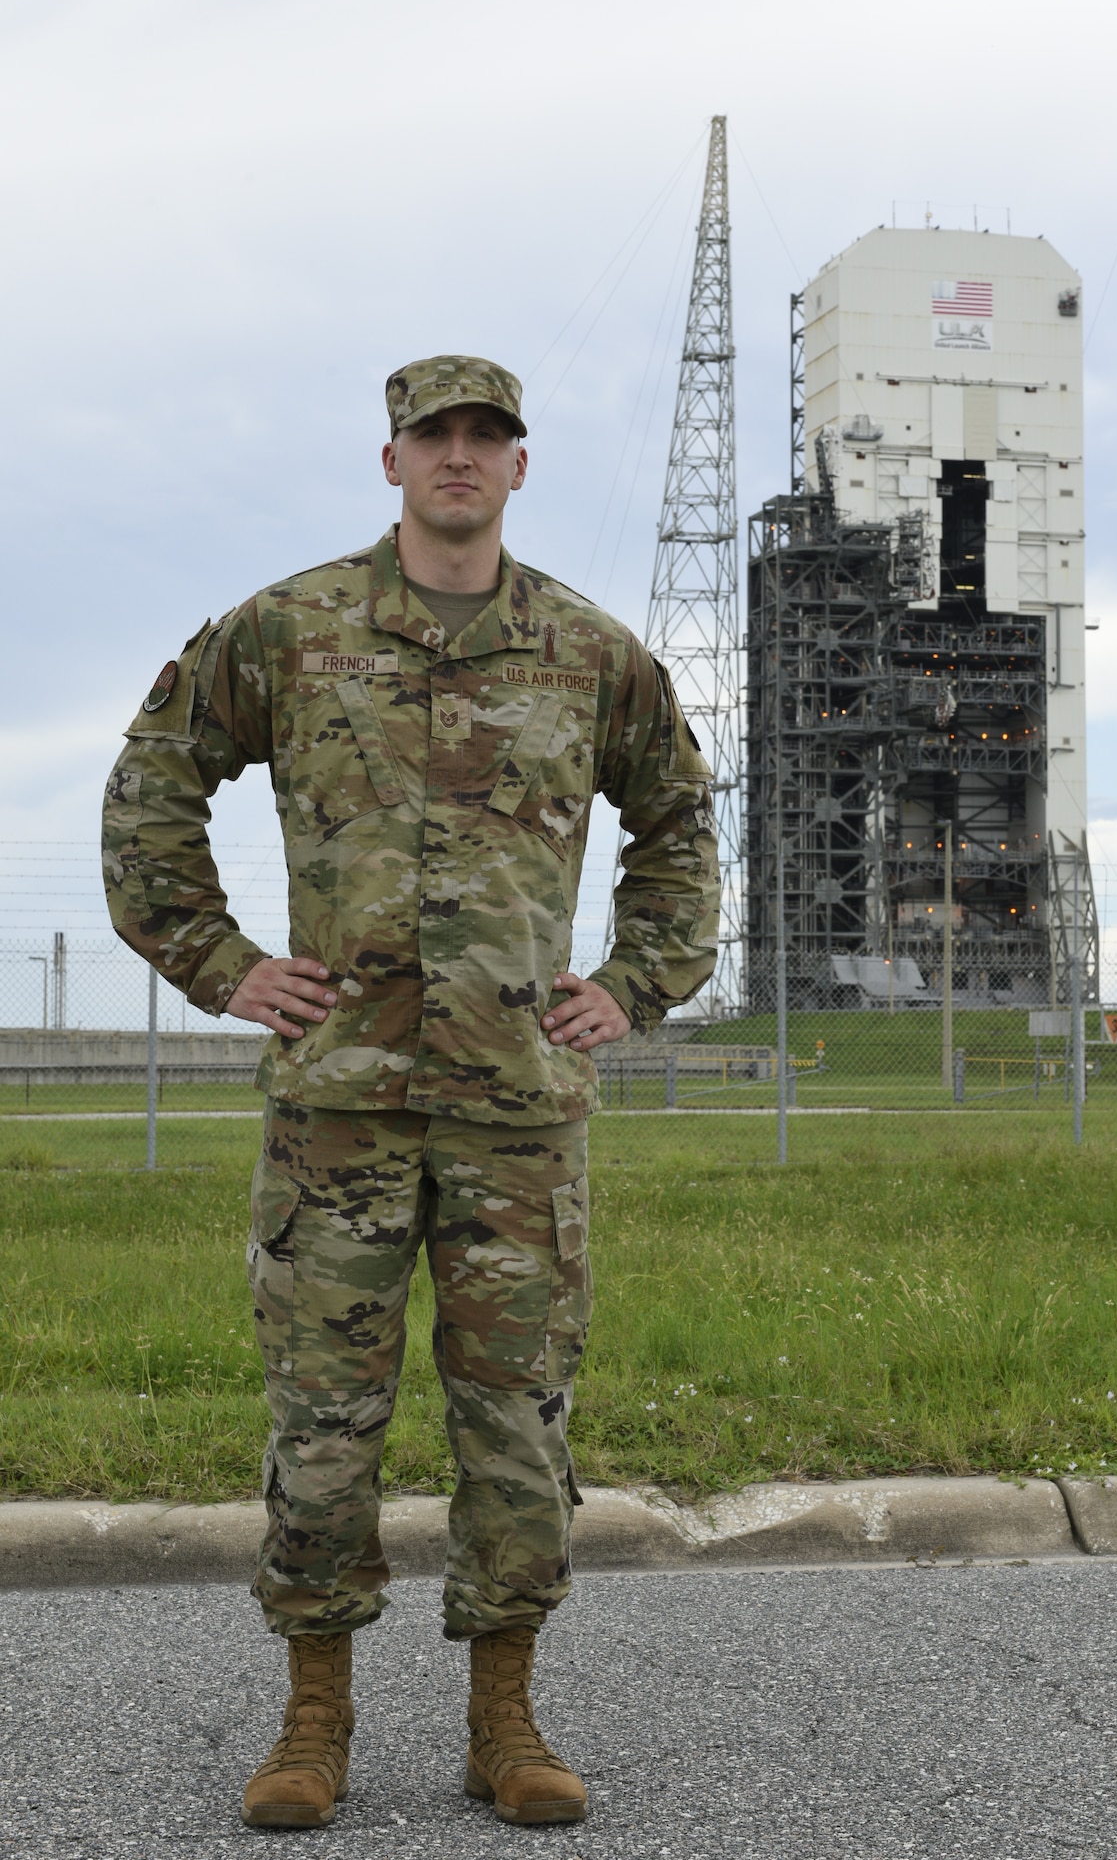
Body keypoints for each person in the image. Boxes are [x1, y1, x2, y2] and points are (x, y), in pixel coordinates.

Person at [102, 354, 720, 1829]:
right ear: (391, 463)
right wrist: (220, 961)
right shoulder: (292, 631)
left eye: (484, 437)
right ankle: (313, 1722)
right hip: (341, 1112)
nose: (458, 458)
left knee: (517, 1426)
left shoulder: (588, 650)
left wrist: (633, 984)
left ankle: (504, 1721)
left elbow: (681, 818)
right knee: (324, 1426)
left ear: (520, 465)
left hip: (519, 1111)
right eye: (432, 436)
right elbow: (153, 780)